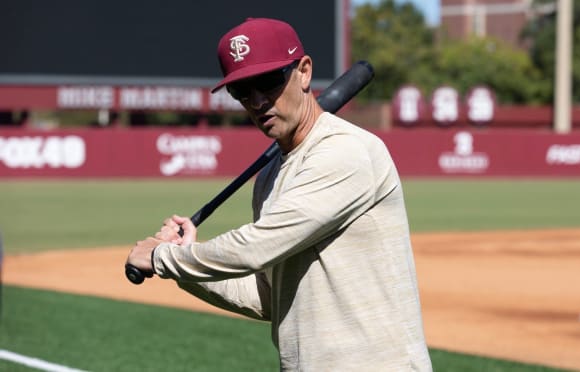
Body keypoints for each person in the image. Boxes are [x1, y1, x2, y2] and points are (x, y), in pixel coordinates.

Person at [126, 17, 432, 371]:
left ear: (304, 72)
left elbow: (256, 247)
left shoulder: (346, 152)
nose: (257, 101)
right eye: (242, 91)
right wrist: (183, 263)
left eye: (268, 82)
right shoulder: (270, 176)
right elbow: (270, 296)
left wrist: (163, 258)